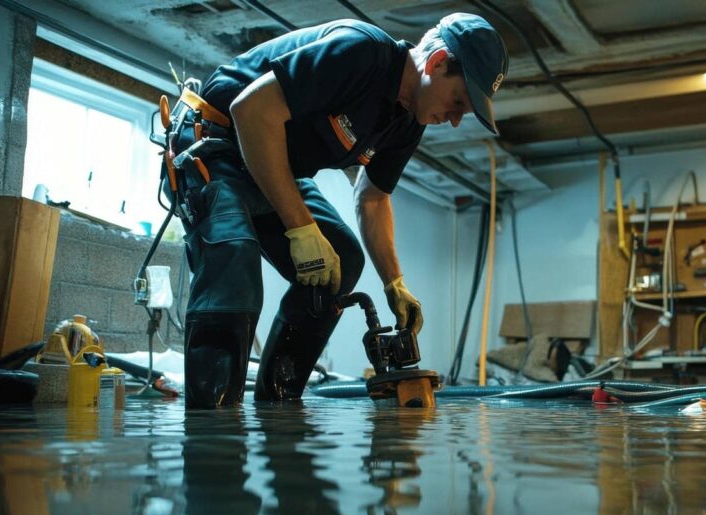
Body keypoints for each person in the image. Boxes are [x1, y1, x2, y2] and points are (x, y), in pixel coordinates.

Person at [166, 13, 509, 408]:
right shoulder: (360, 52)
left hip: (277, 167)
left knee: (342, 261)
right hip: (216, 141)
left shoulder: (408, 122)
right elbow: (251, 111)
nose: (453, 121)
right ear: (436, 63)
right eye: (458, 102)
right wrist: (299, 227)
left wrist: (394, 283)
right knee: (233, 255)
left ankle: (278, 403)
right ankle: (214, 421)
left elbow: (373, 197)